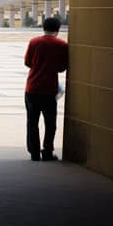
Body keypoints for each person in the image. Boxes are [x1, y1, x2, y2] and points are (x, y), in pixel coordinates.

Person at [23, 15, 68, 161]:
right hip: (49, 90)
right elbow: (62, 68)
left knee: (32, 122)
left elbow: (28, 62)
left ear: (43, 28)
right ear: (58, 30)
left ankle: (34, 153)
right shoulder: (62, 45)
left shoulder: (34, 42)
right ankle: (47, 151)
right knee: (50, 123)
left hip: (32, 88)